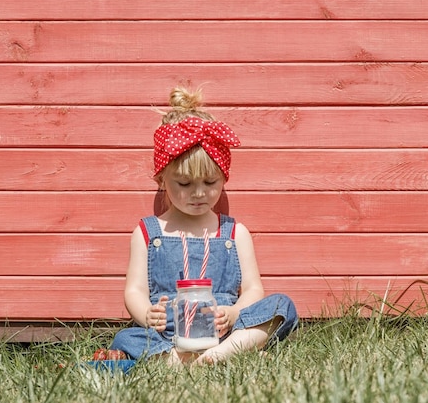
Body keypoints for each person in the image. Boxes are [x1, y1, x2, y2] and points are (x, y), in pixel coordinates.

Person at [108, 86, 298, 365]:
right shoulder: (149, 233)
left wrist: (234, 314)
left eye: (210, 183)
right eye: (184, 184)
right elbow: (134, 289)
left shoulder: (234, 233)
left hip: (223, 330)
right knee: (127, 338)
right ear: (161, 179)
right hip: (168, 333)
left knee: (282, 305)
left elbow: (253, 290)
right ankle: (181, 357)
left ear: (224, 177)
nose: (198, 193)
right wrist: (146, 313)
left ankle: (218, 354)